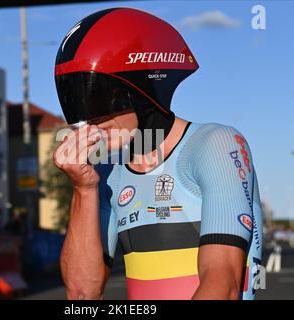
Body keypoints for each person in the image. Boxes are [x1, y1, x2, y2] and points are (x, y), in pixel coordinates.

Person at [53, 8, 263, 300]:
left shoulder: (214, 144)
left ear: (144, 90)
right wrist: (84, 189)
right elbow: (81, 294)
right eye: (77, 101)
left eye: (99, 98)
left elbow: (223, 285)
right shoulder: (104, 171)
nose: (90, 119)